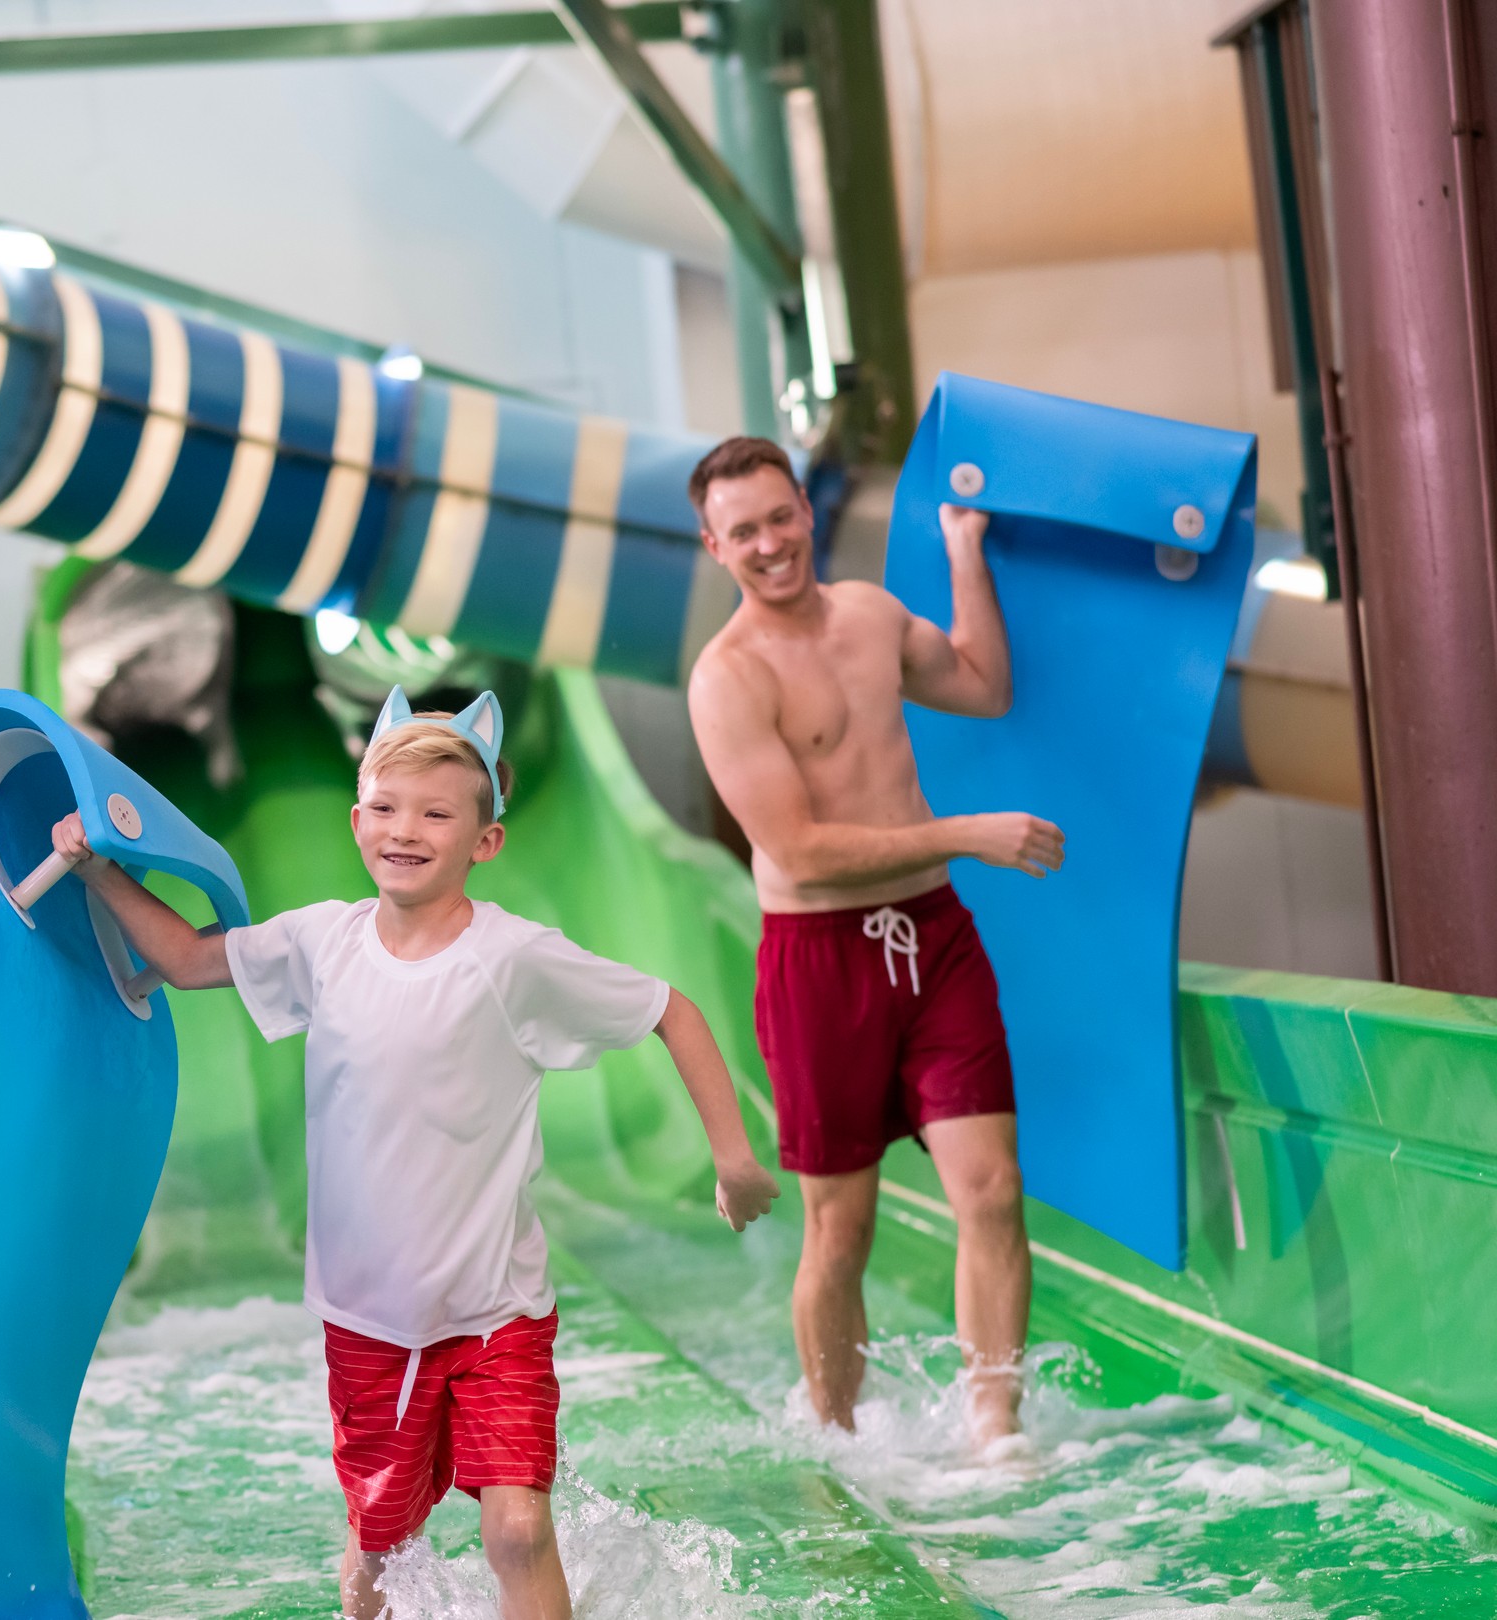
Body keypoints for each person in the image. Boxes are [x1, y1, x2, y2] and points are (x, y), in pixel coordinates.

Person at [53, 688, 777, 1620]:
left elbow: (669, 1009)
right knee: (380, 1549)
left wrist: (733, 1157)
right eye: (387, 809)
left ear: (485, 842)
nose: (407, 830)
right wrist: (93, 869)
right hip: (368, 1320)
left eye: (437, 813)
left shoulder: (515, 959)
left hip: (498, 1313)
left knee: (518, 1529)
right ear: (357, 821)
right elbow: (189, 960)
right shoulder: (324, 941)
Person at [681, 436, 1061, 1453]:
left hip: (932, 941)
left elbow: (983, 684)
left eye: (780, 517)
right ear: (714, 544)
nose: (770, 544)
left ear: (807, 512)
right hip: (820, 961)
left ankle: (996, 1433)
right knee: (841, 1232)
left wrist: (965, 549)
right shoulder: (727, 680)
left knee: (990, 1188)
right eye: (744, 531)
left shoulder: (871, 616)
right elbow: (798, 851)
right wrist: (965, 834)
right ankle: (839, 1439)